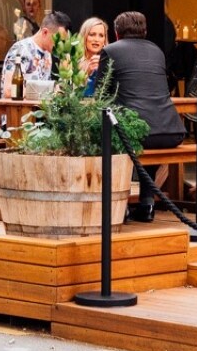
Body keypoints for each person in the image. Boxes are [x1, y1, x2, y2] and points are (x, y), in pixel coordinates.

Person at [98, 12, 187, 221]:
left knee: (113, 140)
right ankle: (147, 203)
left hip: (139, 133)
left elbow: (101, 95)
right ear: (145, 31)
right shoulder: (157, 51)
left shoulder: (110, 51)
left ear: (117, 33)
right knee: (143, 134)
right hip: (171, 131)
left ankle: (121, 205)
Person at [2, 10, 71, 94]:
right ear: (45, 32)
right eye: (58, 40)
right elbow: (9, 89)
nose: (61, 45)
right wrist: (49, 90)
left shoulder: (47, 53)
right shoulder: (20, 50)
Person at [79, 16, 109, 92]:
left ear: (104, 40)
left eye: (101, 35)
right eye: (92, 34)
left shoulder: (109, 62)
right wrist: (87, 74)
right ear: (84, 36)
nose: (96, 39)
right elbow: (67, 91)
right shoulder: (73, 60)